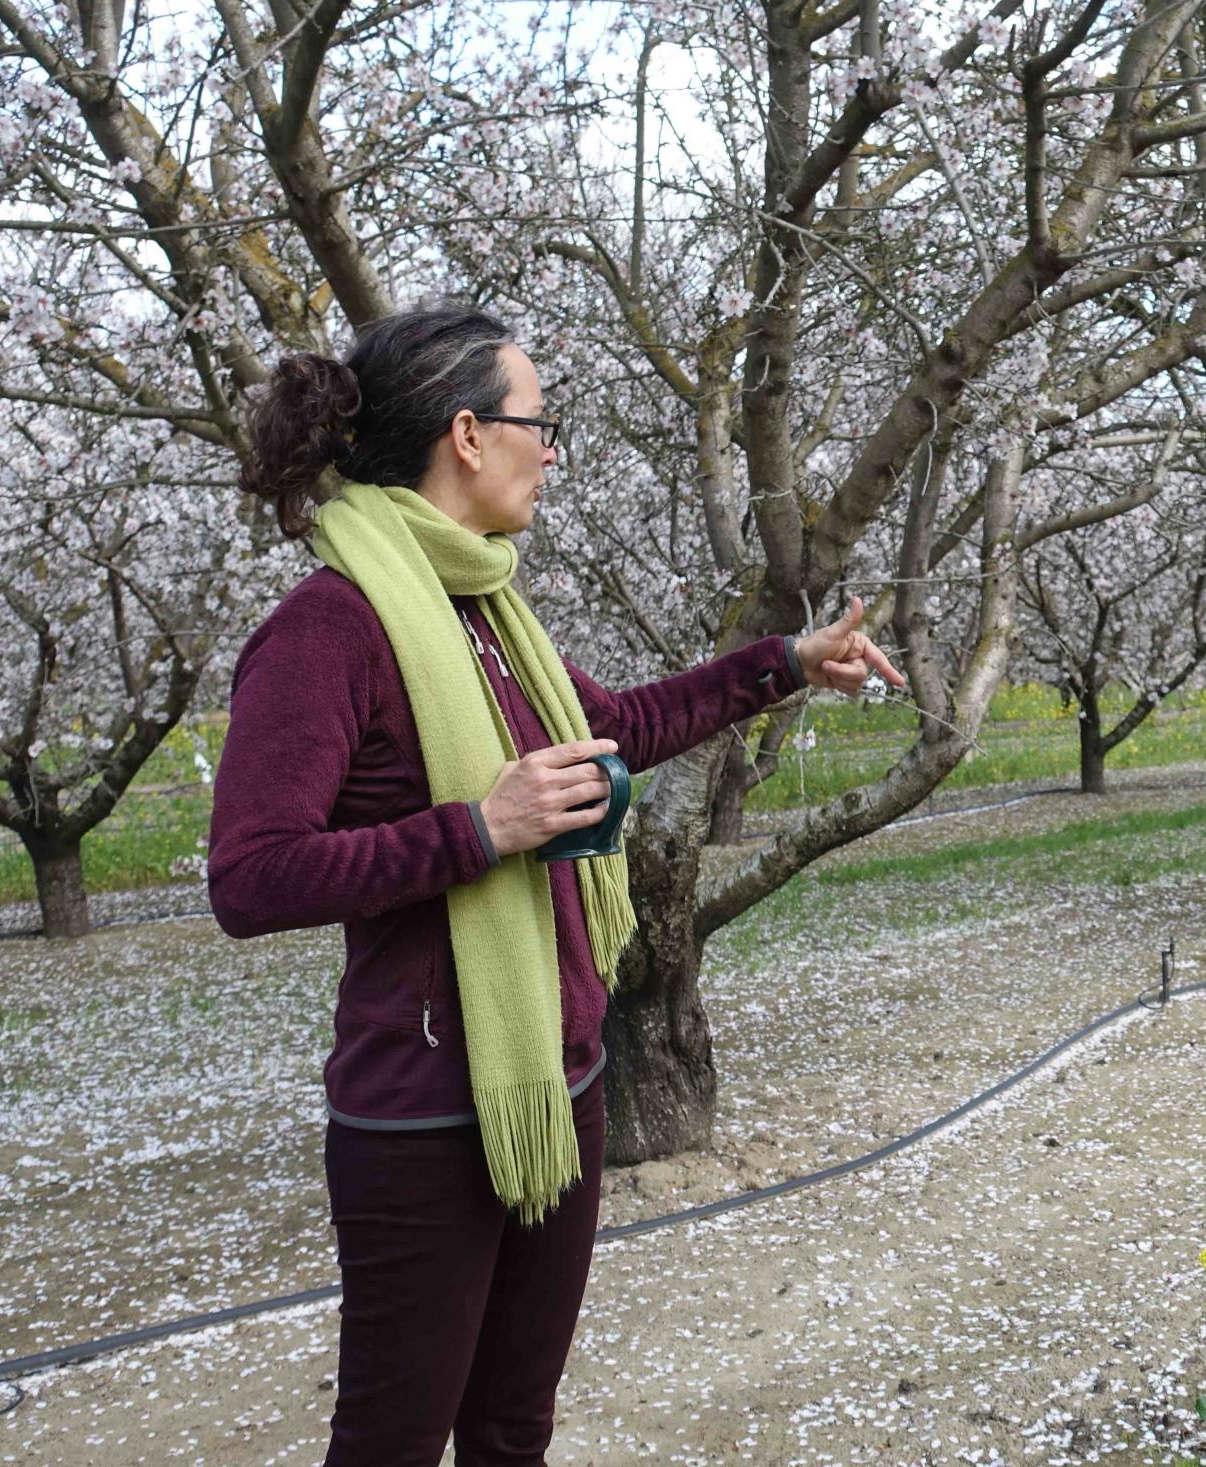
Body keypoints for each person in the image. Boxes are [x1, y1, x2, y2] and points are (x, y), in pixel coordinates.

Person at [207, 302, 902, 1466]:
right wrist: (478, 830)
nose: (556, 448)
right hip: (427, 1108)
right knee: (392, 1436)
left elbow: (619, 723)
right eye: (542, 420)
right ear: (469, 436)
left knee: (513, 1425)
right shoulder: (332, 627)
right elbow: (249, 876)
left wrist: (785, 663)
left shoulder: (485, 608)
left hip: (560, 1077)